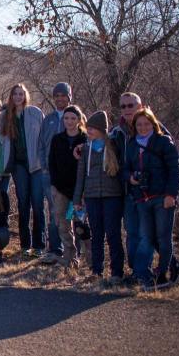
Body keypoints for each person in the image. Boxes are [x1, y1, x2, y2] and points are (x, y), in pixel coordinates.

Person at [112, 92, 179, 285]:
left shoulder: (159, 133)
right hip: (135, 193)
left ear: (140, 106)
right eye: (123, 106)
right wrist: (129, 178)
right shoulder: (118, 133)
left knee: (156, 236)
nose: (127, 109)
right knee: (139, 234)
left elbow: (174, 164)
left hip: (161, 194)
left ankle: (153, 273)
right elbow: (119, 164)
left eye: (131, 105)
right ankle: (146, 272)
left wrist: (172, 191)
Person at [74, 111, 125, 284]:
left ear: (102, 129)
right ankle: (97, 270)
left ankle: (117, 272)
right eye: (88, 127)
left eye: (93, 128)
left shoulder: (114, 145)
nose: (89, 131)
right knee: (96, 234)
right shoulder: (86, 148)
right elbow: (80, 175)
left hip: (112, 196)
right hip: (92, 196)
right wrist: (77, 199)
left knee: (113, 234)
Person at [3, 83, 46, 257]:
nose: (18, 97)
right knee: (23, 204)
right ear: (11, 97)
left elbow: (43, 138)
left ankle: (39, 245)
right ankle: (25, 245)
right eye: (15, 94)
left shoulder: (35, 113)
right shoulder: (6, 116)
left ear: (25, 95)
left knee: (37, 204)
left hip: (36, 165)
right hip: (18, 165)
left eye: (21, 94)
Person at [46, 105, 88, 268]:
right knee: (63, 223)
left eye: (73, 118)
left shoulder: (85, 139)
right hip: (60, 188)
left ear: (78, 120)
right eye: (66, 118)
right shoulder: (57, 139)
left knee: (80, 224)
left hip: (80, 189)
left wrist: (82, 189)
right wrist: (55, 185)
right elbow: (52, 163)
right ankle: (69, 255)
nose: (69, 121)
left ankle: (86, 257)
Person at [38, 82, 73, 262]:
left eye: (63, 95)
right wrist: (44, 167)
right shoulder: (48, 119)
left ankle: (73, 250)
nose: (60, 98)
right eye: (57, 95)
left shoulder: (75, 117)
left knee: (71, 212)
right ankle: (54, 249)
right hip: (50, 175)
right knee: (53, 212)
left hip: (71, 176)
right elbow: (41, 146)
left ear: (69, 97)